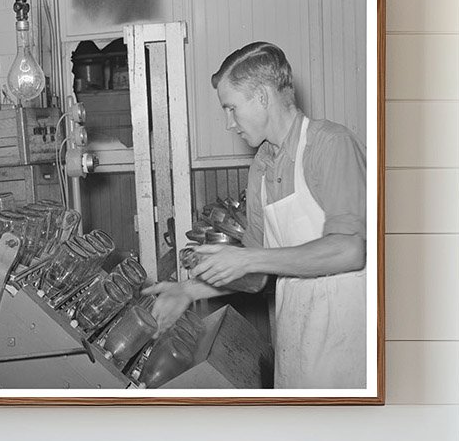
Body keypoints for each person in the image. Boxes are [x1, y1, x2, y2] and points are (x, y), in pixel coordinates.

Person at [144, 41, 367, 389]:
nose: (229, 124)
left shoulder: (330, 145)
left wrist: (248, 259)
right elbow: (255, 275)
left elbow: (349, 250)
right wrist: (187, 290)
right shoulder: (262, 166)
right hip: (297, 345)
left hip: (348, 348)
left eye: (231, 108)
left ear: (262, 96)